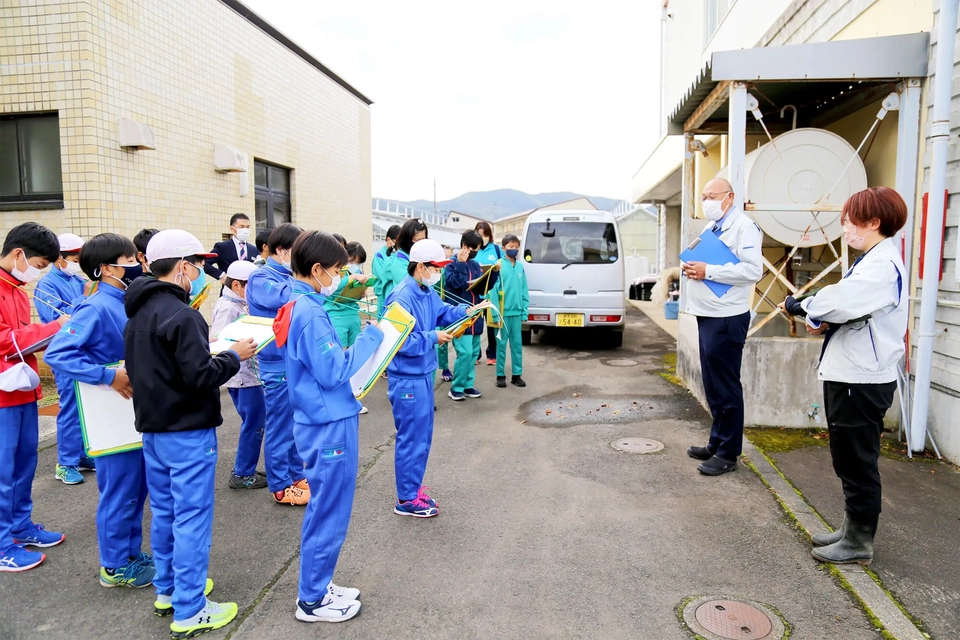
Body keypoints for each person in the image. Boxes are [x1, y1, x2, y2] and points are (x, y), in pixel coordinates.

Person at [124, 229, 256, 637]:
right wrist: (233, 356)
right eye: (196, 264)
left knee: (164, 513)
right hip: (188, 432)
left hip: (153, 430)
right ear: (182, 266)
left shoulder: (138, 314)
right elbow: (201, 376)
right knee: (192, 519)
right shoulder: (183, 315)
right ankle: (191, 607)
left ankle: (169, 590)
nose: (200, 271)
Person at [780, 187, 908, 566]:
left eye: (851, 219)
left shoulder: (881, 266)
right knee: (848, 457)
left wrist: (805, 306)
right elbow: (848, 308)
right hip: (855, 374)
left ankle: (858, 541)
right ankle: (851, 528)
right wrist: (819, 315)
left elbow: (838, 301)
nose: (845, 227)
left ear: (874, 222)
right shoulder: (874, 260)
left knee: (856, 460)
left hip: (861, 379)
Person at [274, 231, 384, 623]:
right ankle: (312, 600)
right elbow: (334, 369)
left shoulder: (301, 303)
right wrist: (375, 336)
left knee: (328, 508)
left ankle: (318, 583)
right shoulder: (309, 312)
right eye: (337, 270)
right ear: (317, 269)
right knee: (330, 510)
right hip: (328, 423)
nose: (340, 276)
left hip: (323, 419)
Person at [45, 233, 154, 587]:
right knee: (120, 490)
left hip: (129, 411)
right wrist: (107, 375)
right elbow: (58, 353)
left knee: (136, 489)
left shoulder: (124, 300)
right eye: (128, 261)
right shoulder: (94, 307)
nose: (136, 266)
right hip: (108, 413)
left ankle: (130, 552)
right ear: (106, 268)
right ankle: (114, 565)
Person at [385, 239, 489, 517]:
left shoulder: (424, 291)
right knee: (410, 437)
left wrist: (466, 311)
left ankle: (413, 488)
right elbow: (396, 340)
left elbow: (442, 311)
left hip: (423, 374)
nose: (440, 272)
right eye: (437, 267)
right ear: (420, 266)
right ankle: (406, 499)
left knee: (422, 436)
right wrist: (433, 336)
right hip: (406, 378)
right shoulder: (401, 296)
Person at [683, 177, 763, 476]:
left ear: (729, 197)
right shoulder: (711, 227)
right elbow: (702, 258)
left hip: (727, 316)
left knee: (727, 387)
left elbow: (753, 269)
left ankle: (728, 453)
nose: (706, 202)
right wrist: (692, 266)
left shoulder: (744, 227)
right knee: (713, 386)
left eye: (711, 196)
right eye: (703, 196)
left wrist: (709, 270)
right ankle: (716, 443)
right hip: (707, 314)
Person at [0, 222, 68, 573]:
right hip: (2, 394)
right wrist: (56, 327)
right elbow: (7, 339)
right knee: (3, 469)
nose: (36, 273)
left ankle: (20, 526)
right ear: (18, 254)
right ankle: (1, 543)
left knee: (25, 463)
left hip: (22, 389)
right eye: (39, 265)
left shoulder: (17, 290)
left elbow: (22, 337)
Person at [246, 223, 310, 506]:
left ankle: (296, 475)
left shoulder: (285, 274)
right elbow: (289, 297)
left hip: (291, 360)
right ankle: (281, 485)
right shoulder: (262, 277)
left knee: (295, 424)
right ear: (283, 250)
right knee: (280, 426)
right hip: (276, 364)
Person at [35, 233, 95, 484]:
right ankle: (66, 462)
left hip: (87, 351)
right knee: (70, 408)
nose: (77, 264)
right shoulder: (46, 285)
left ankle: (81, 455)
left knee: (86, 407)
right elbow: (58, 318)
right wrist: (85, 298)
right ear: (59, 258)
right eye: (74, 258)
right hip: (66, 353)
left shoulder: (78, 278)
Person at [211, 260, 266, 490]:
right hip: (242, 377)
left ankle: (247, 468)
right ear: (237, 285)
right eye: (250, 287)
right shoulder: (227, 307)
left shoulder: (238, 302)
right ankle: (242, 473)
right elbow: (218, 341)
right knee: (253, 423)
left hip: (248, 374)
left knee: (256, 422)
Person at [443, 230, 497, 401]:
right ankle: (456, 387)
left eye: (478, 249)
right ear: (464, 246)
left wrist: (493, 274)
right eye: (474, 248)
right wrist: (460, 263)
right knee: (464, 352)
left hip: (476, 315)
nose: (475, 252)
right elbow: (453, 284)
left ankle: (468, 385)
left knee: (473, 353)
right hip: (460, 317)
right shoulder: (451, 264)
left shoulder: (475, 265)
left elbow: (482, 288)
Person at [324, 241, 373, 415]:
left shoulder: (357, 273)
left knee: (354, 357)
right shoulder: (337, 272)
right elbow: (331, 291)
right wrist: (349, 279)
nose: (355, 265)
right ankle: (341, 398)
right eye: (352, 260)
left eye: (358, 262)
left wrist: (361, 289)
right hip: (336, 315)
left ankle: (354, 397)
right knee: (341, 356)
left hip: (352, 314)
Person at [489, 234, 529, 388]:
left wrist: (524, 310)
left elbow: (524, 289)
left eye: (516, 246)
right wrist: (495, 313)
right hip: (503, 314)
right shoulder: (498, 265)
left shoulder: (519, 267)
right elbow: (493, 291)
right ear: (503, 247)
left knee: (517, 345)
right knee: (501, 345)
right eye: (511, 246)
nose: (514, 249)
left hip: (517, 313)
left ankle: (516, 375)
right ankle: (500, 375)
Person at [473, 221, 503, 366]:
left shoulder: (496, 249)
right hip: (476, 295)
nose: (482, 237)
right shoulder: (473, 250)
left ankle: (491, 354)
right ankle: (476, 354)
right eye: (479, 235)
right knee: (475, 325)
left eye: (485, 235)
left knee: (492, 326)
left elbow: (503, 269)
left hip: (491, 295)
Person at [204, 213, 256, 290]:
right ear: (232, 229)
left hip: (248, 293)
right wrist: (222, 275)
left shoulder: (254, 249)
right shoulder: (223, 247)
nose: (245, 230)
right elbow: (204, 263)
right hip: (229, 291)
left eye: (247, 227)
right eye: (242, 227)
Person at [382, 218, 427, 306]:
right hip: (405, 307)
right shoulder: (399, 261)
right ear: (408, 240)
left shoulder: (420, 257)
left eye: (424, 239)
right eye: (418, 240)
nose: (422, 244)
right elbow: (413, 287)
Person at [372, 224, 400, 318]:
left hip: (396, 294)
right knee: (383, 320)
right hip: (383, 295)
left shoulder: (397, 254)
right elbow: (383, 275)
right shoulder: (379, 255)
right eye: (396, 242)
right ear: (389, 239)